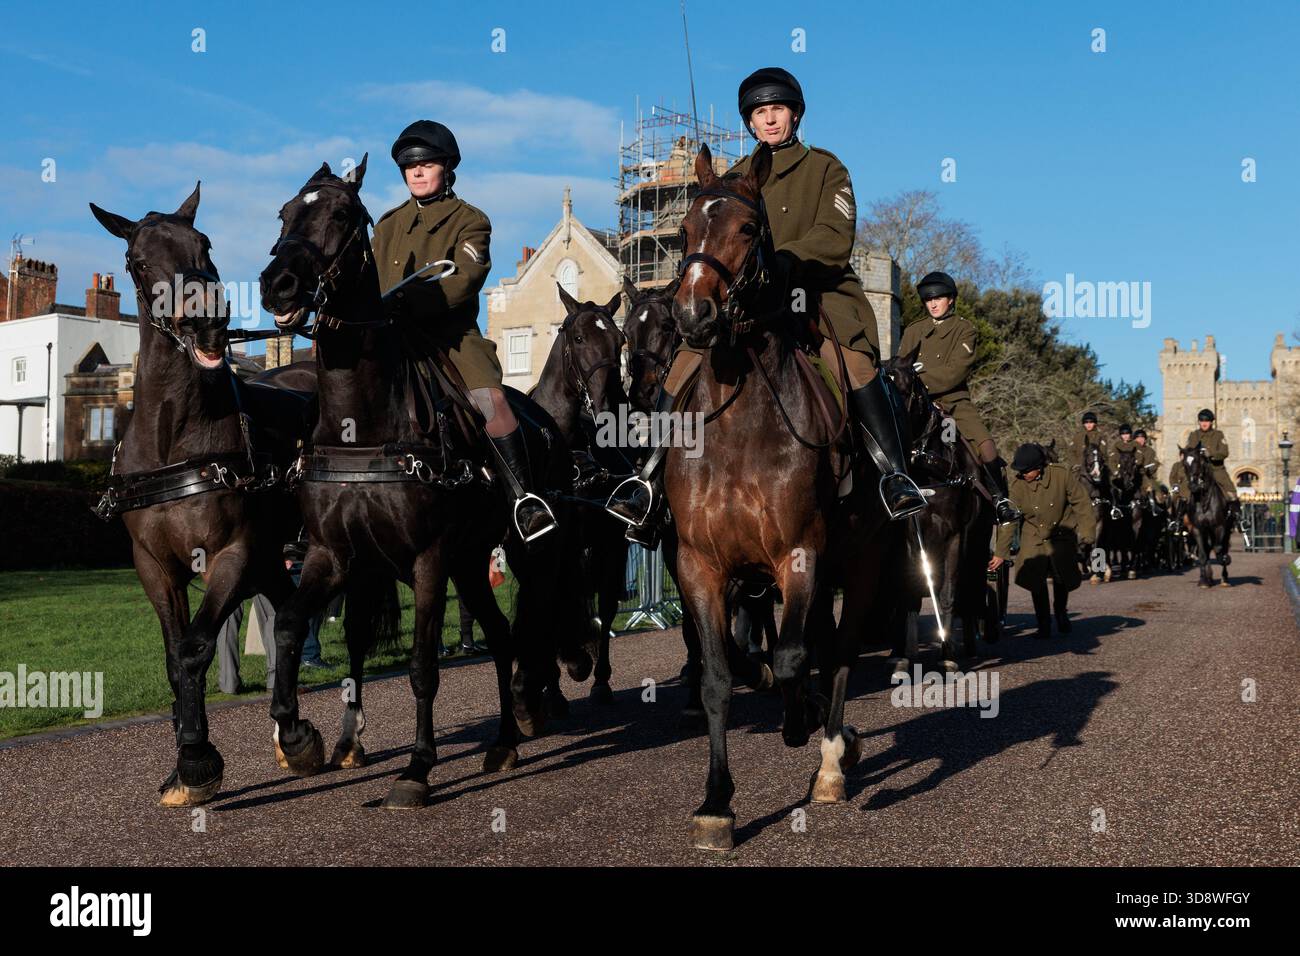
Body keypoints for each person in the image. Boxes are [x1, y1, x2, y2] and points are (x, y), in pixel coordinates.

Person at [606, 66, 924, 544]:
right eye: (760, 113)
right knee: (682, 368)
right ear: (750, 123)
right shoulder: (731, 180)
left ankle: (893, 476)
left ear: (795, 115)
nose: (769, 119)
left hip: (815, 295)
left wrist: (783, 261)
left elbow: (836, 238)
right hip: (743, 304)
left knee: (853, 366)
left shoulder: (826, 168)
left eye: (777, 109)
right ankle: (646, 481)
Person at [373, 119, 556, 544]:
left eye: (427, 163)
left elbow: (464, 281)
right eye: (409, 166)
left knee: (491, 404)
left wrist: (409, 300)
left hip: (449, 338)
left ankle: (523, 500)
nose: (417, 172)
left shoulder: (470, 220)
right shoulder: (386, 226)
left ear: (447, 168)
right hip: (388, 338)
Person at [898, 271, 1020, 524]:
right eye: (928, 300)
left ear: (951, 299)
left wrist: (920, 382)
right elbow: (901, 368)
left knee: (986, 445)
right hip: (915, 404)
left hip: (954, 402)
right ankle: (892, 490)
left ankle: (999, 501)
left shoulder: (964, 329)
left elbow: (956, 371)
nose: (932, 304)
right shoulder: (913, 331)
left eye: (938, 298)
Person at [990, 443, 1096, 639]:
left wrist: (1088, 534)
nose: (1022, 474)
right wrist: (1000, 552)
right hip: (1034, 533)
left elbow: (1082, 503)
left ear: (1038, 467)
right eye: (1020, 471)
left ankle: (1061, 611)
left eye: (1026, 471)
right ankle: (1043, 623)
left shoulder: (1061, 475)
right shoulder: (1018, 486)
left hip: (1061, 531)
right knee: (1034, 577)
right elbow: (1010, 520)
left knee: (1061, 575)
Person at [1067, 411, 1108, 476]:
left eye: (1091, 422)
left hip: (1095, 466)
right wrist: (1075, 464)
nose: (1088, 425)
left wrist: (1097, 464)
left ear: (1095, 423)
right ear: (1083, 424)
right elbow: (1071, 452)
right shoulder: (1077, 436)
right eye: (1086, 422)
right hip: (1078, 467)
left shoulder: (1100, 436)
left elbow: (1103, 452)